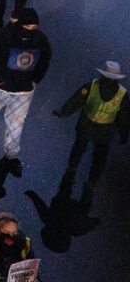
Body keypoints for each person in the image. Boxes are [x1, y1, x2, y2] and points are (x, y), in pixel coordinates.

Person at [0, 8, 51, 176]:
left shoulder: (40, 40)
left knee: (16, 123)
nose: (30, 31)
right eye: (27, 27)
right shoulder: (3, 35)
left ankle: (11, 154)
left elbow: (44, 62)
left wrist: (35, 81)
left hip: (23, 91)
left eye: (33, 28)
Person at [52, 60, 129, 205]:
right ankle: (71, 171)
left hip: (106, 130)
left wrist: (124, 133)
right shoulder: (91, 87)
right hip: (87, 124)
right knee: (79, 148)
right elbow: (76, 100)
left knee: (100, 157)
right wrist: (63, 112)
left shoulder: (122, 95)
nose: (108, 81)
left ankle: (91, 181)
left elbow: (124, 116)